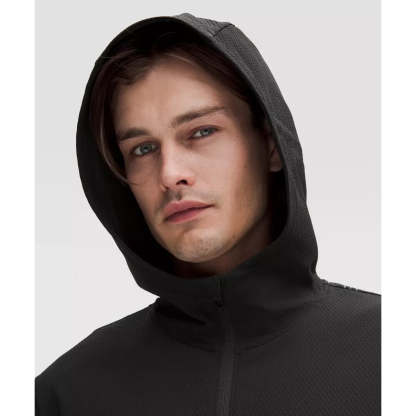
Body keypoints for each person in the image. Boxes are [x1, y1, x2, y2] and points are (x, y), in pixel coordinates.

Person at [35, 12, 381, 415]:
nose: (170, 174)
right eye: (143, 149)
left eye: (201, 131)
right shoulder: (66, 395)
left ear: (270, 144)